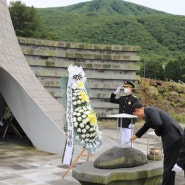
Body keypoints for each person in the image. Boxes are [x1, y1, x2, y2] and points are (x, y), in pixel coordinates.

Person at [130, 103, 184, 185]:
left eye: (135, 114)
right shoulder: (148, 114)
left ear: (138, 110)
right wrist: (134, 136)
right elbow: (145, 127)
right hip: (173, 136)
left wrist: (157, 132)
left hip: (172, 137)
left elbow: (158, 123)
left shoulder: (151, 111)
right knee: (171, 164)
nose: (137, 116)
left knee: (168, 164)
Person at [110, 81, 138, 146]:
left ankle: (130, 153)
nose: (125, 88)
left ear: (131, 88)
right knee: (122, 140)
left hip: (129, 122)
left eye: (127, 87)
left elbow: (136, 111)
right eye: (124, 87)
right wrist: (114, 93)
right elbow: (112, 100)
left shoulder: (134, 99)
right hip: (122, 121)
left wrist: (133, 122)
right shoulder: (122, 98)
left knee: (128, 140)